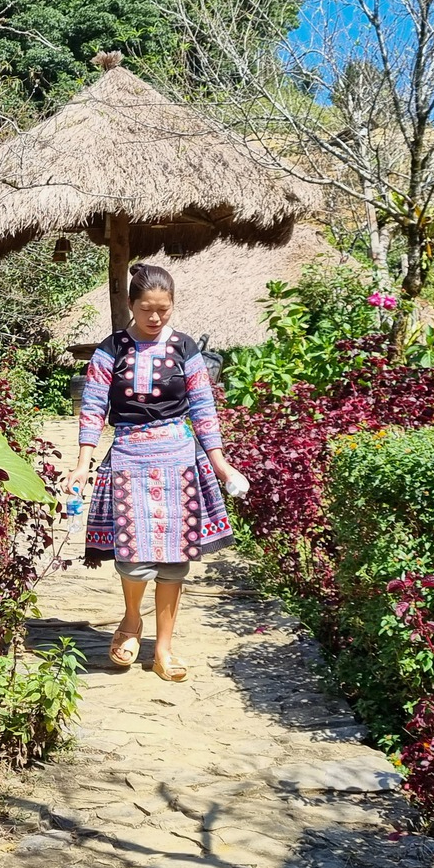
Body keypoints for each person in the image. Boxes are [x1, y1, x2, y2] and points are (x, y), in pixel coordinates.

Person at [68, 263, 248, 681]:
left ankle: (164, 649)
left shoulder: (186, 349)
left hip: (179, 462)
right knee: (131, 557)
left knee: (174, 562)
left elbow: (203, 408)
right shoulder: (110, 350)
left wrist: (221, 465)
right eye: (146, 309)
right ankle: (131, 622)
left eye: (163, 310)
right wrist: (82, 462)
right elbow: (93, 406)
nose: (154, 318)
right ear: (131, 305)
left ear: (172, 307)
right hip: (129, 458)